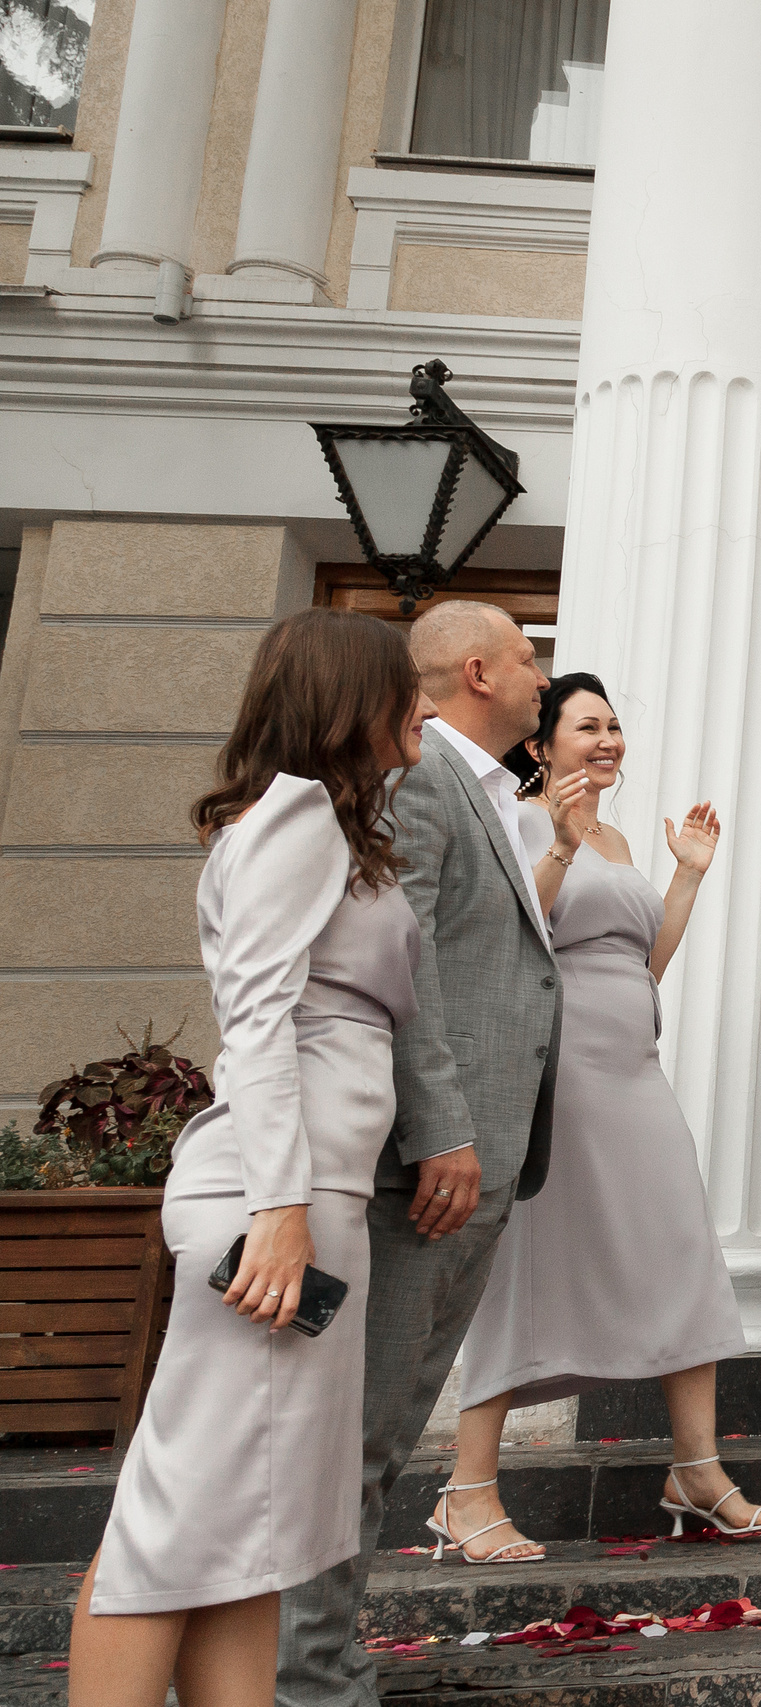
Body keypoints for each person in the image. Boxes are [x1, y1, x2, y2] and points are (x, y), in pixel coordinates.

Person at [69, 609, 427, 1707]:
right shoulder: (299, 815)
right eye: (403, 686)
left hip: (311, 1199)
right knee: (177, 1522)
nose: (420, 705)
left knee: (259, 1530)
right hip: (273, 1203)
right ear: (352, 700)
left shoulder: (334, 827)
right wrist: (279, 1211)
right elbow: (260, 1020)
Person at [278, 600, 564, 1707]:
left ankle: (318, 1659)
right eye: (530, 659)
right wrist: (441, 1125)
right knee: (360, 1430)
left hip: (476, 1157)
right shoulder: (425, 777)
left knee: (389, 1430)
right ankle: (306, 1673)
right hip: (430, 1166)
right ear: (479, 671)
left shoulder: (485, 787)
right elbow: (412, 964)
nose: (543, 677)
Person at [432, 674, 761, 1562]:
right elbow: (511, 933)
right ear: (540, 745)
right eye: (588, 726)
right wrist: (560, 845)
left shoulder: (616, 836)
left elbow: (643, 962)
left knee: (681, 1244)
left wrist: (686, 876)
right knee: (528, 1265)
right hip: (559, 1072)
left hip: (632, 1069)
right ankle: (466, 1488)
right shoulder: (519, 821)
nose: (610, 739)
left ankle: (695, 1468)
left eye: (615, 725)